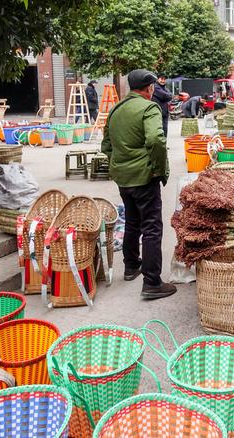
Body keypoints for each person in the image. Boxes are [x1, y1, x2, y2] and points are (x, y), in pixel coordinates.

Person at [101, 69, 177, 300]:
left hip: (123, 178)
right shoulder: (149, 107)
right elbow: (156, 140)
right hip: (144, 176)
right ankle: (152, 282)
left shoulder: (116, 109)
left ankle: (132, 266)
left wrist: (119, 163)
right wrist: (158, 168)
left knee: (133, 222)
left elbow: (105, 145)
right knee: (152, 227)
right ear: (149, 88)